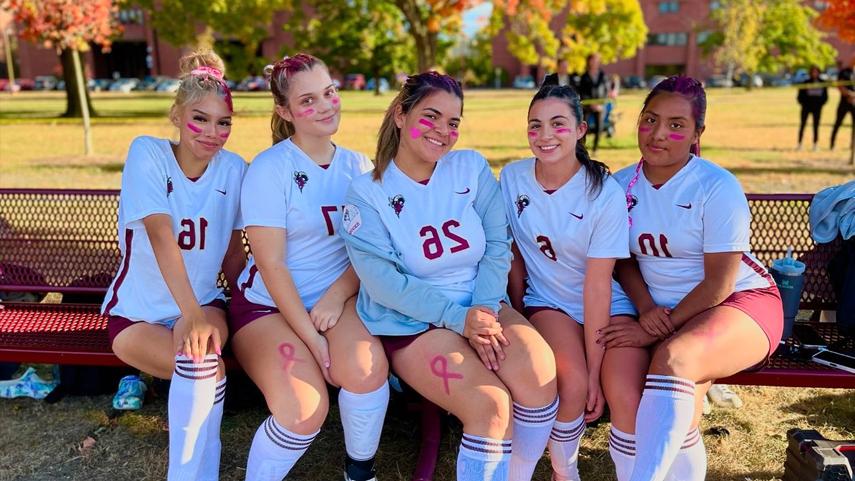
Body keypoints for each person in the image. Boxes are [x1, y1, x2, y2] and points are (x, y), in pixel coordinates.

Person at [340, 71, 558, 481]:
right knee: (490, 407)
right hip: (412, 321)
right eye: (431, 116)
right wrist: (460, 320)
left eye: (453, 122)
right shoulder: (366, 192)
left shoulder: (470, 167)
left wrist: (482, 308)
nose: (443, 131)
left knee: (540, 374)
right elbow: (383, 282)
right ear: (401, 115)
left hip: (482, 302)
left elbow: (498, 243)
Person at [599, 75, 783, 481]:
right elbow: (622, 260)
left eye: (676, 125)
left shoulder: (716, 186)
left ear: (698, 132)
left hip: (735, 303)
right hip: (649, 307)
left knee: (676, 361)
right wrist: (646, 309)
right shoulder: (617, 184)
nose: (658, 134)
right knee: (628, 399)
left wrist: (656, 331)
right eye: (649, 119)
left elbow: (719, 283)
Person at [229, 53, 388, 481]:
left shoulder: (360, 166)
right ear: (284, 110)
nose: (325, 106)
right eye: (308, 100)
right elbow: (272, 265)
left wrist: (337, 296)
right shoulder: (269, 169)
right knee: (304, 411)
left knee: (366, 370)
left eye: (330, 92)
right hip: (268, 306)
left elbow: (372, 251)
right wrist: (315, 342)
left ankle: (359, 471)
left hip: (335, 299)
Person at [102, 49, 246, 480]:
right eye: (199, 118)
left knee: (202, 367)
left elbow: (234, 254)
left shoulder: (234, 169)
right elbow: (162, 236)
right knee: (203, 370)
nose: (211, 132)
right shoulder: (147, 153)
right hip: (138, 313)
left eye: (224, 123)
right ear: (177, 116)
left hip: (205, 304)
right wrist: (189, 316)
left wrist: (254, 306)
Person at [501, 80, 635, 481]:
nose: (545, 136)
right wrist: (516, 310)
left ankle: (568, 465)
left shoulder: (603, 193)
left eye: (558, 124)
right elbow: (510, 254)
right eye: (535, 125)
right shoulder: (512, 178)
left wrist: (598, 371)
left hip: (606, 305)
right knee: (572, 382)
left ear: (580, 130)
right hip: (549, 302)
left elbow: (597, 287)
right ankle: (562, 469)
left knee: (615, 389)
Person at [576, 53, 608, 153]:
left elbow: (605, 90)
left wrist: (600, 104)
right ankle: (582, 148)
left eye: (596, 61)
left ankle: (595, 148)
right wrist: (590, 104)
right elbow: (581, 92)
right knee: (583, 126)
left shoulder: (602, 75)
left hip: (600, 105)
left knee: (600, 126)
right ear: (589, 62)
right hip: (587, 106)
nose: (594, 63)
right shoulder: (584, 76)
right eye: (592, 61)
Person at [797, 65, 828, 151]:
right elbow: (800, 96)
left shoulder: (822, 83)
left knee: (816, 126)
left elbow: (825, 97)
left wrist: (820, 104)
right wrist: (804, 104)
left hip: (817, 108)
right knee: (803, 125)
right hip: (806, 107)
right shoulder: (806, 82)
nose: (814, 73)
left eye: (816, 71)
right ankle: (800, 144)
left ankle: (815, 144)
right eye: (813, 71)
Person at [830, 56, 854, 151]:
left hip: (853, 102)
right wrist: (849, 94)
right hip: (844, 102)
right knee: (838, 123)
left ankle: (852, 145)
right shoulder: (844, 72)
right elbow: (840, 86)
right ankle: (832, 143)